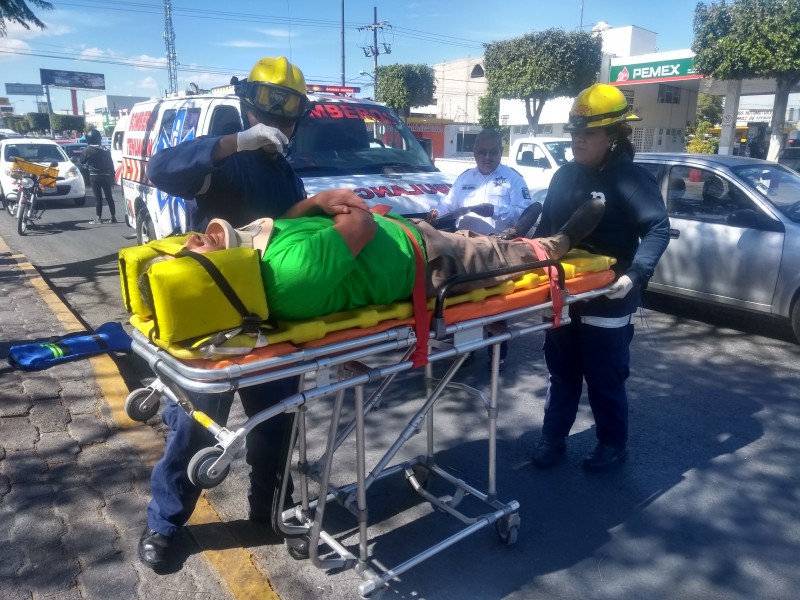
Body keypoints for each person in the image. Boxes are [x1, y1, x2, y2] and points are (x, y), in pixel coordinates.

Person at [137, 56, 326, 572]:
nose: (280, 122)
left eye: (290, 113)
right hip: (214, 324)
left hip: (270, 319)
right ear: (249, 107)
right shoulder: (222, 161)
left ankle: (270, 508)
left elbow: (283, 235)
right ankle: (164, 524)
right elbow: (160, 170)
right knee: (194, 426)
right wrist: (233, 144)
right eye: (272, 109)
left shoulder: (287, 174)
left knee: (276, 424)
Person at [139, 192, 607, 322]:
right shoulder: (284, 279)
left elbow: (288, 223)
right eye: (191, 253)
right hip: (423, 260)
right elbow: (358, 227)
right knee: (492, 256)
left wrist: (318, 203)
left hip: (403, 235)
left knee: (476, 239)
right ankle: (551, 244)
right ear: (212, 279)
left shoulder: (256, 255)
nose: (191, 240)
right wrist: (342, 208)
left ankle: (508, 235)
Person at [530, 83, 670, 473]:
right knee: (562, 373)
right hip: (563, 291)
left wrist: (636, 275)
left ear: (612, 137)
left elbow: (657, 229)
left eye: (588, 133)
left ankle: (612, 444)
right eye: (575, 132)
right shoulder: (563, 177)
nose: (578, 140)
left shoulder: (631, 179)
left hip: (610, 292)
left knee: (604, 376)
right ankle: (553, 437)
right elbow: (548, 231)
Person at [427, 128, 536, 369]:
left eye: (494, 152)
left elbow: (524, 211)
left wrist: (495, 210)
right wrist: (437, 212)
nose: (488, 157)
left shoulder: (512, 178)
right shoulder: (465, 177)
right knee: (465, 300)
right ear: (474, 153)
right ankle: (464, 351)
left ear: (501, 152)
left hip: (496, 248)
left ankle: (498, 354)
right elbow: (448, 203)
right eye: (482, 152)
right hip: (464, 249)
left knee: (497, 302)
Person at [79, 129, 116, 224]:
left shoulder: (87, 150)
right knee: (109, 197)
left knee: (98, 198)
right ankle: (113, 217)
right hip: (106, 176)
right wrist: (112, 178)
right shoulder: (105, 149)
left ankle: (98, 218)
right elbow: (111, 164)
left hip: (94, 176)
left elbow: (82, 161)